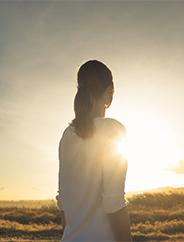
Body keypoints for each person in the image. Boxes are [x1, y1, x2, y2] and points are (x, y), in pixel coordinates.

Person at [56, 60, 132, 241]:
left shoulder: (67, 135)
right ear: (109, 92)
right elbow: (114, 204)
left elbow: (64, 204)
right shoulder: (113, 130)